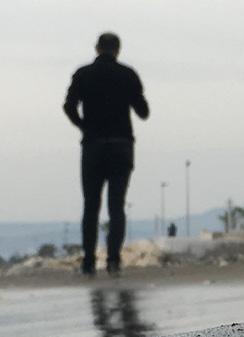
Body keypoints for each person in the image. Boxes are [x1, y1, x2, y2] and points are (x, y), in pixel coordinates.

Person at [64, 32, 149, 277]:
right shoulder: (128, 74)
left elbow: (69, 107)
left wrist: (83, 125)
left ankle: (89, 262)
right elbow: (143, 111)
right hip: (122, 145)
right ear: (118, 50)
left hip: (93, 146)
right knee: (116, 205)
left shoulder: (83, 74)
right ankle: (113, 261)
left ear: (97, 48)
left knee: (91, 205)